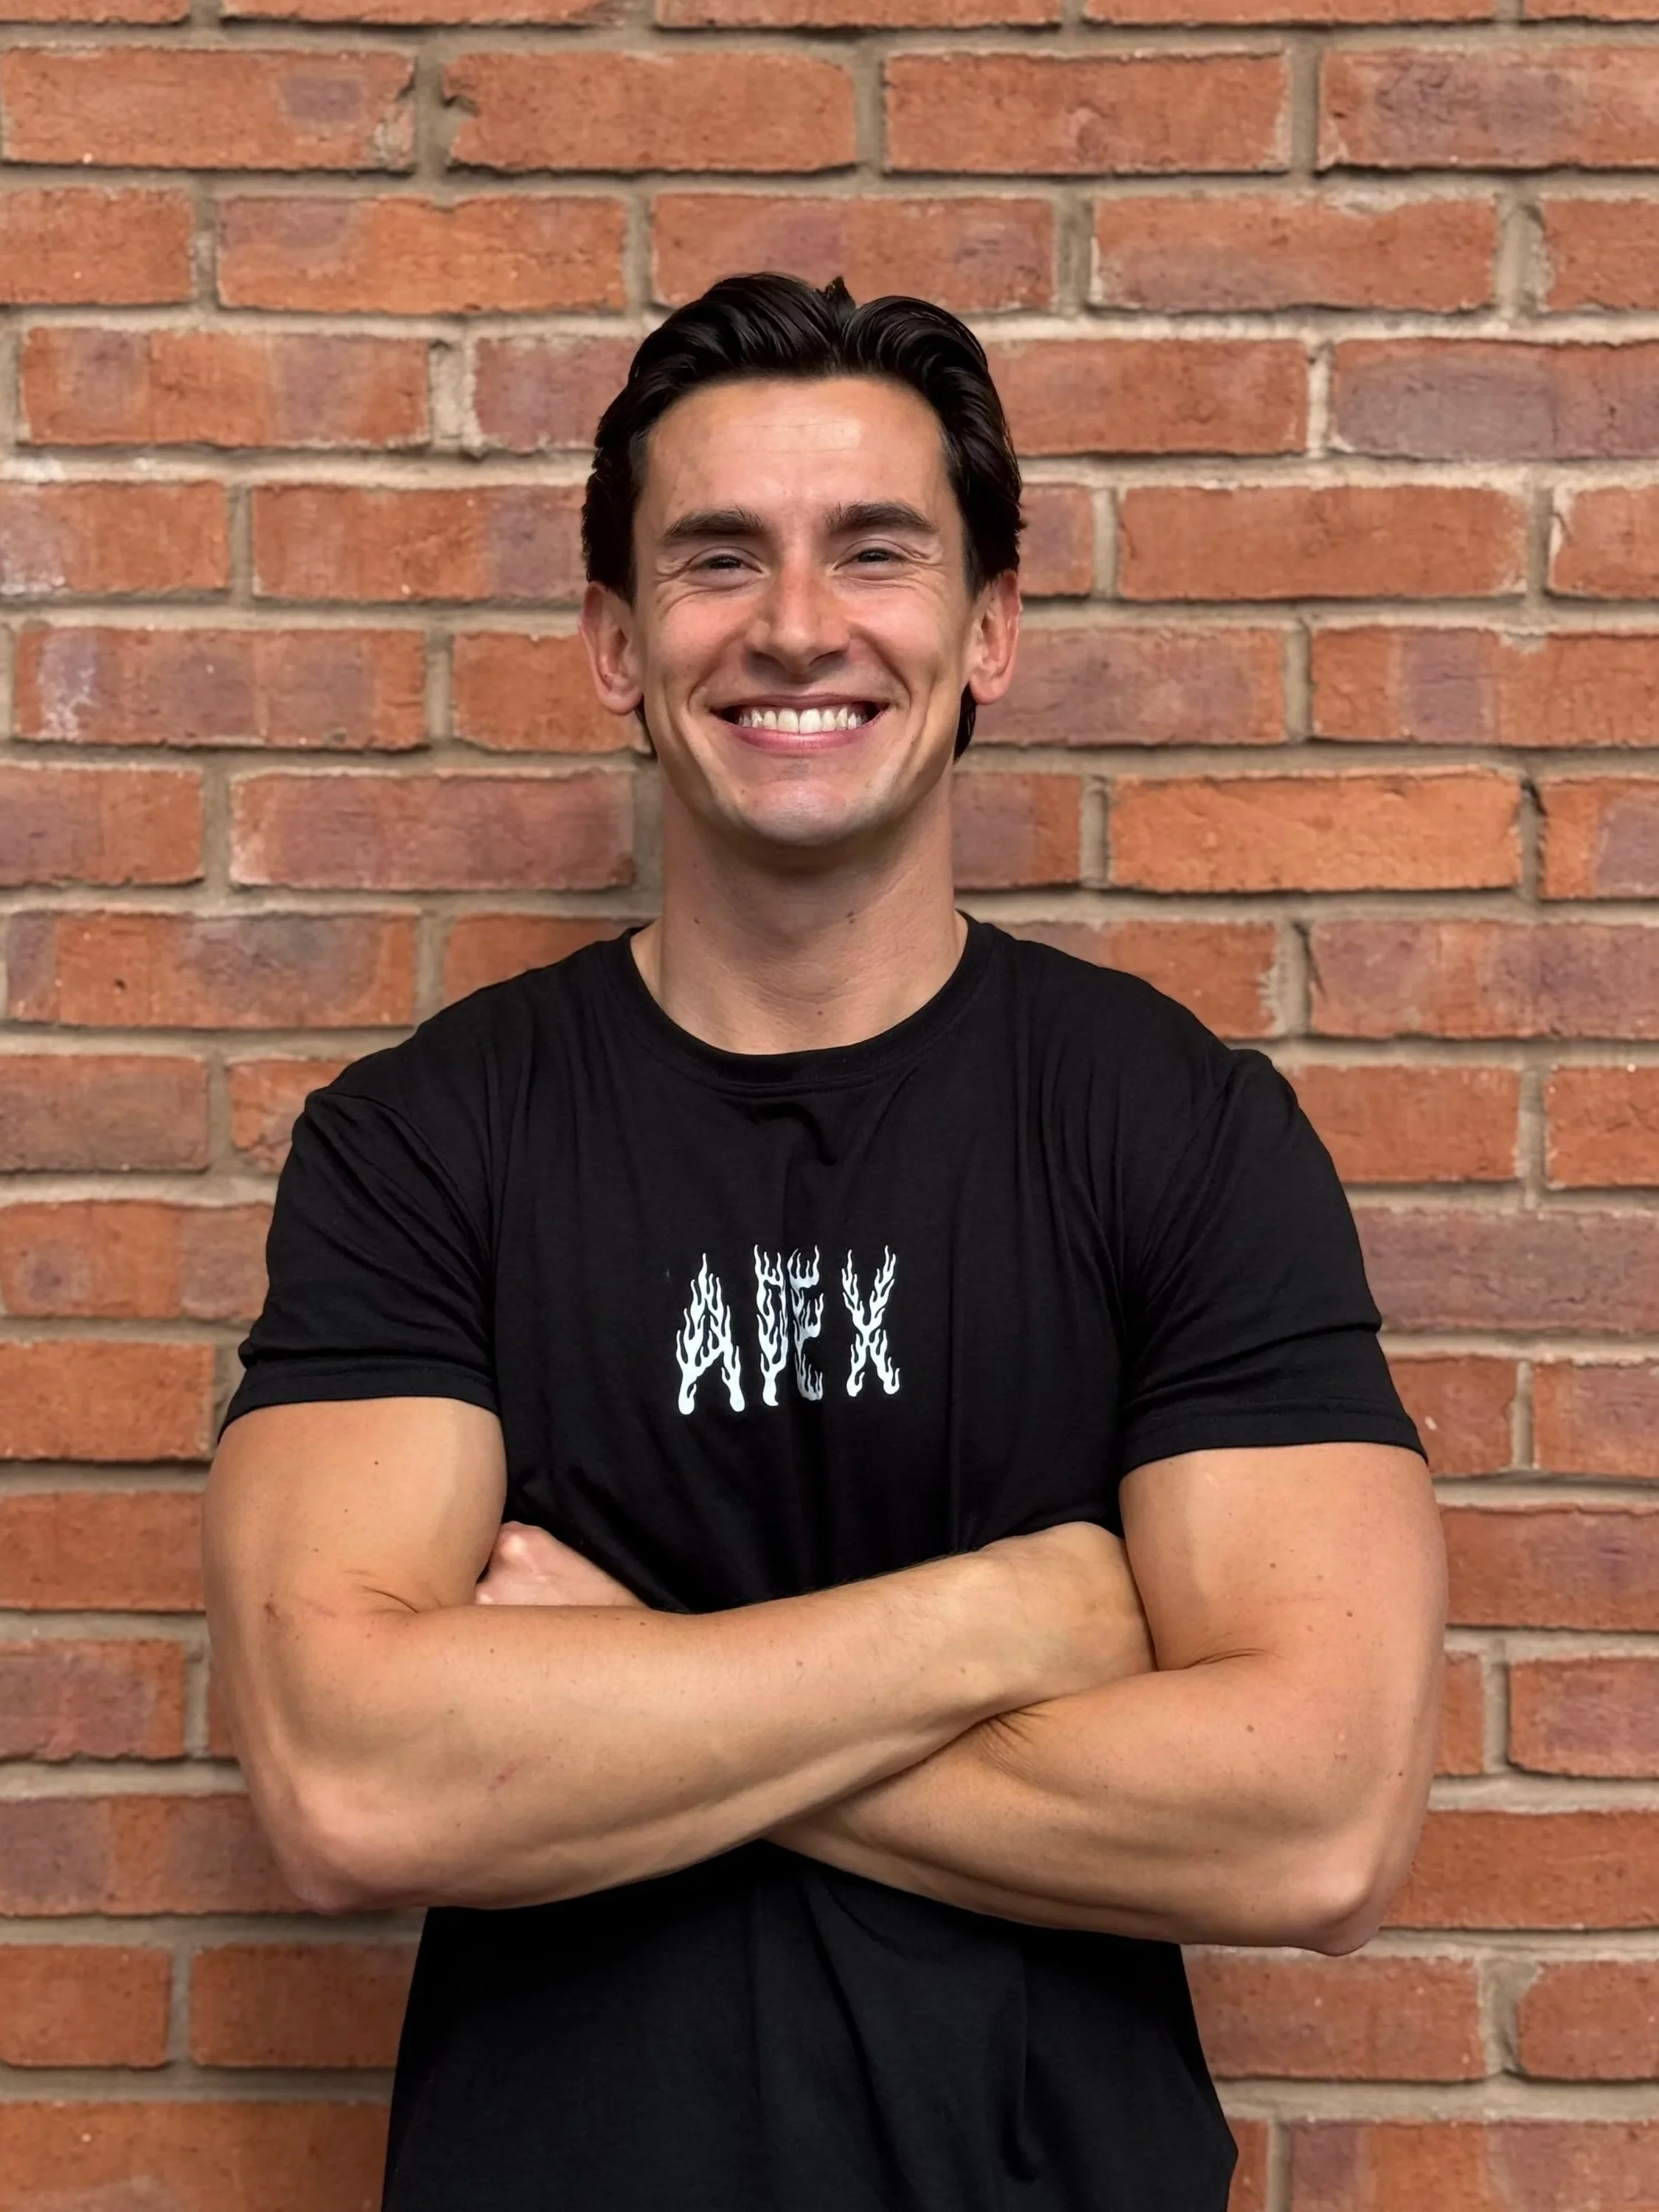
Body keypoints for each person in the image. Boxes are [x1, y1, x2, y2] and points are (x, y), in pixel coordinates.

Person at [204, 273, 1446, 2212]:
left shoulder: (1175, 1131)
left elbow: (1318, 1826)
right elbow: (354, 1789)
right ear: (615, 639)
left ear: (992, 624)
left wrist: (628, 1695)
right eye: (718, 560)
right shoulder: (424, 1146)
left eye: (876, 552)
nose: (797, 627)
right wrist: (1009, 1619)